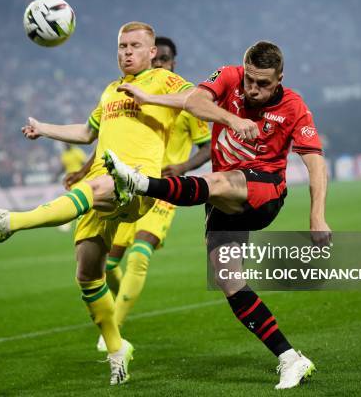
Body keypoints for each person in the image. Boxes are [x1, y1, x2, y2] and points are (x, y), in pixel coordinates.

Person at [0, 22, 194, 385]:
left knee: (104, 186)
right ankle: (117, 348)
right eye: (122, 46)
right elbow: (88, 133)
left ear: (152, 53)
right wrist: (45, 128)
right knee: (88, 274)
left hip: (136, 182)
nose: (127, 52)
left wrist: (150, 99)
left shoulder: (163, 82)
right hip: (102, 181)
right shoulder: (109, 90)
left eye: (135, 46)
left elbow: (195, 98)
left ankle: (11, 222)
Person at [104, 41, 331, 389]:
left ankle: (136, 182)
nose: (254, 89)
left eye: (264, 84)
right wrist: (231, 118)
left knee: (219, 180)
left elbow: (315, 164)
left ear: (280, 79)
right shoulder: (228, 76)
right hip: (223, 199)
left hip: (264, 192)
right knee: (228, 278)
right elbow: (195, 100)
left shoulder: (294, 107)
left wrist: (317, 216)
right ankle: (291, 358)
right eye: (250, 80)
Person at [64, 36, 211, 352]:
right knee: (107, 264)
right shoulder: (133, 95)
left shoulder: (182, 105)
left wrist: (183, 166)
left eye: (166, 59)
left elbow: (208, 146)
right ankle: (115, 307)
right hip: (125, 187)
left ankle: (113, 330)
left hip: (160, 190)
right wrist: (86, 168)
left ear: (172, 62)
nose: (160, 64)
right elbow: (107, 138)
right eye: (158, 59)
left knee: (140, 257)